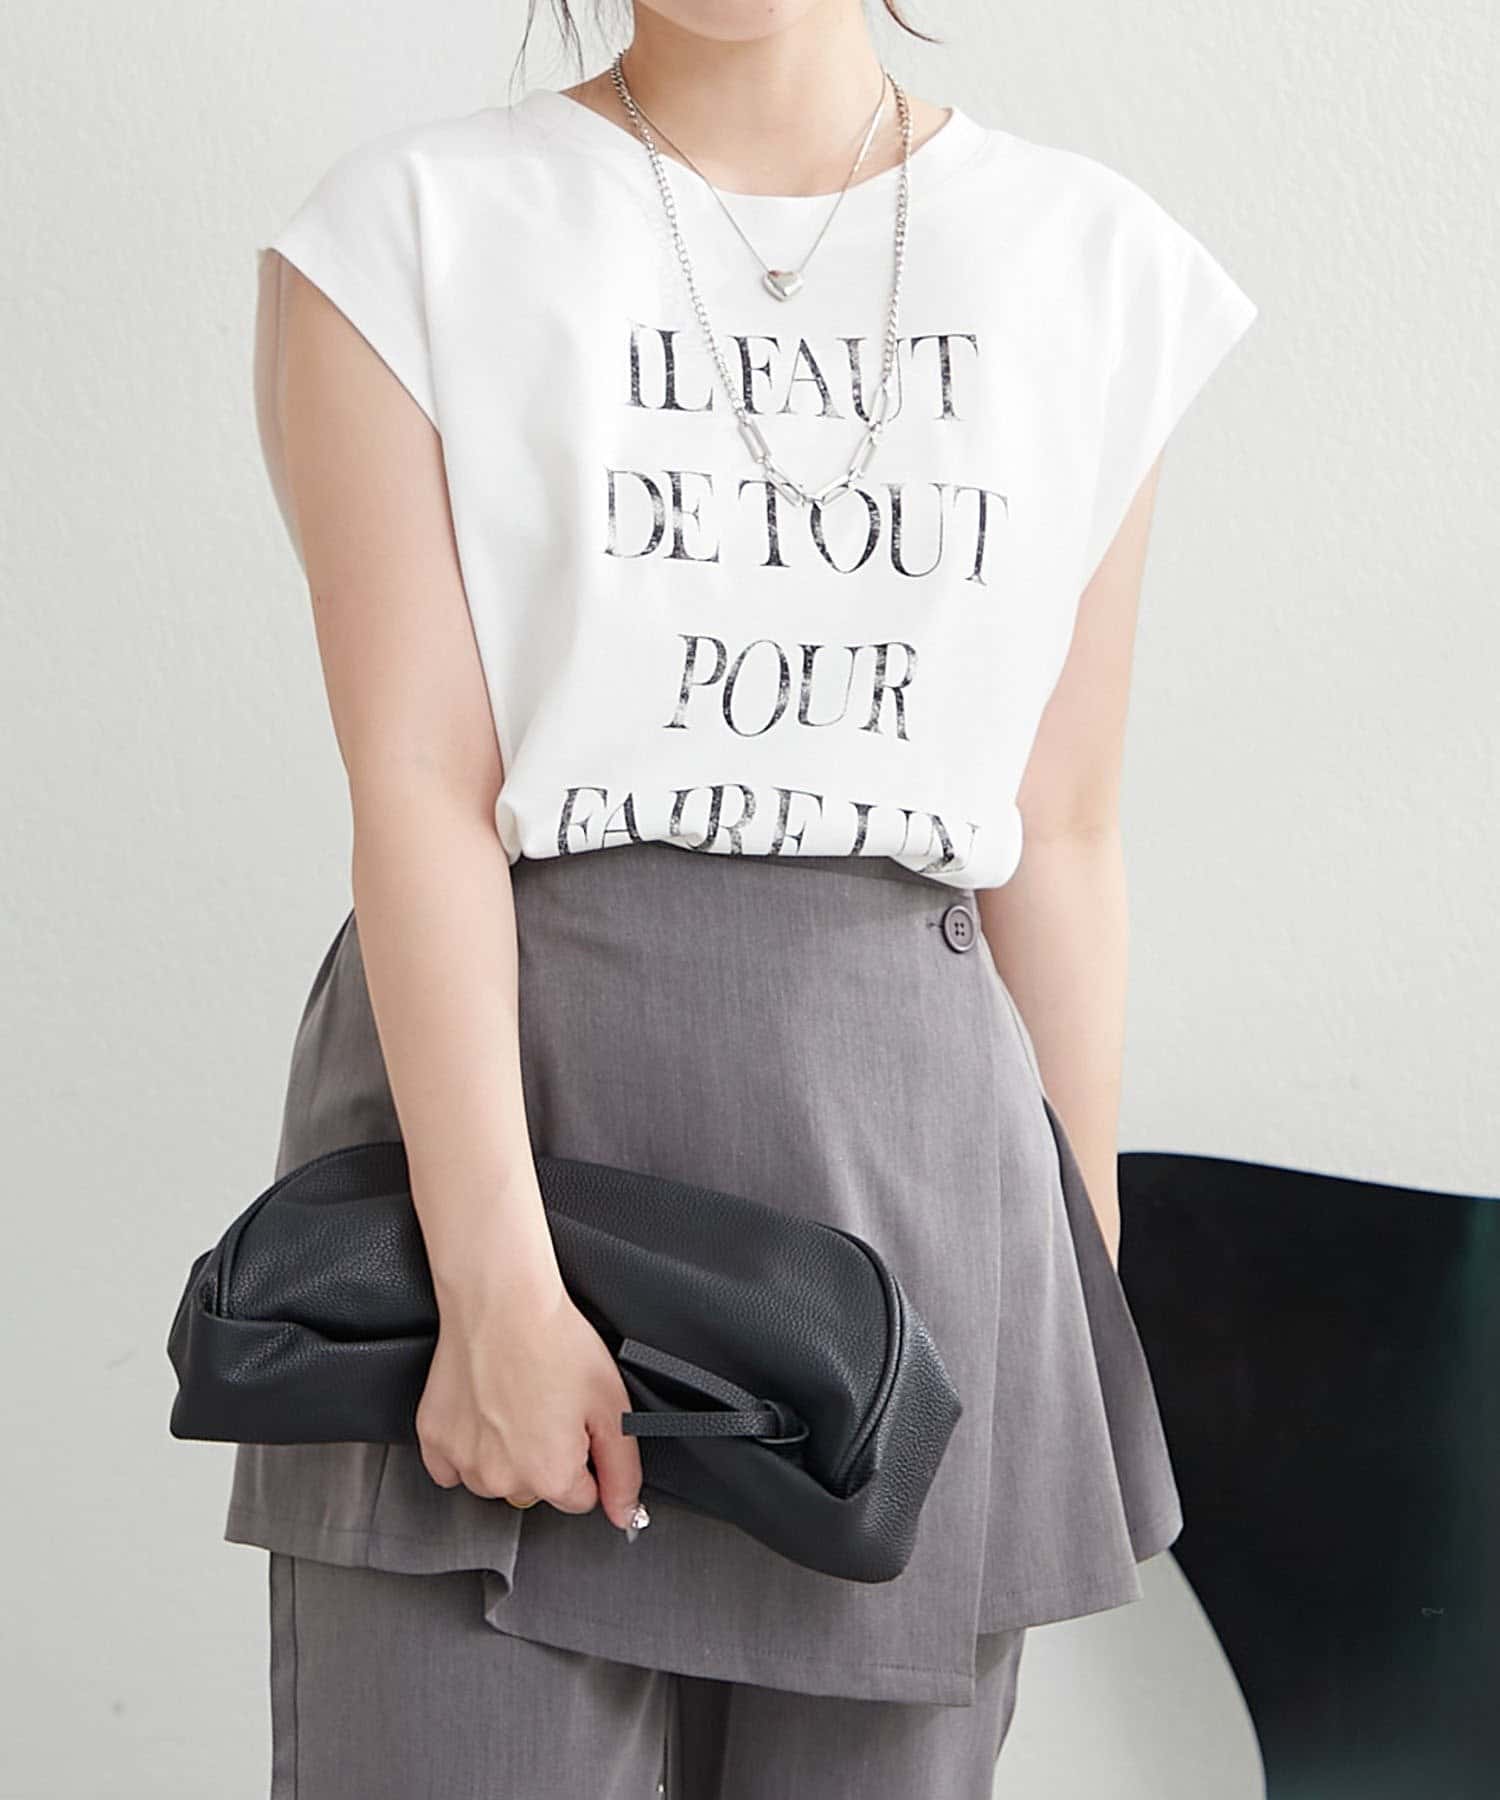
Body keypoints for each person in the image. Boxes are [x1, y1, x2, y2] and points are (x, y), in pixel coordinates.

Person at [232, 2, 1258, 1793]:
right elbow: (418, 790)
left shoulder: (1090, 263)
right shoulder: (410, 235)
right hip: (508, 1154)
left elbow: (1063, 824)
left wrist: (1069, 1294)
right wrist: (494, 1287)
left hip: (915, 1200)